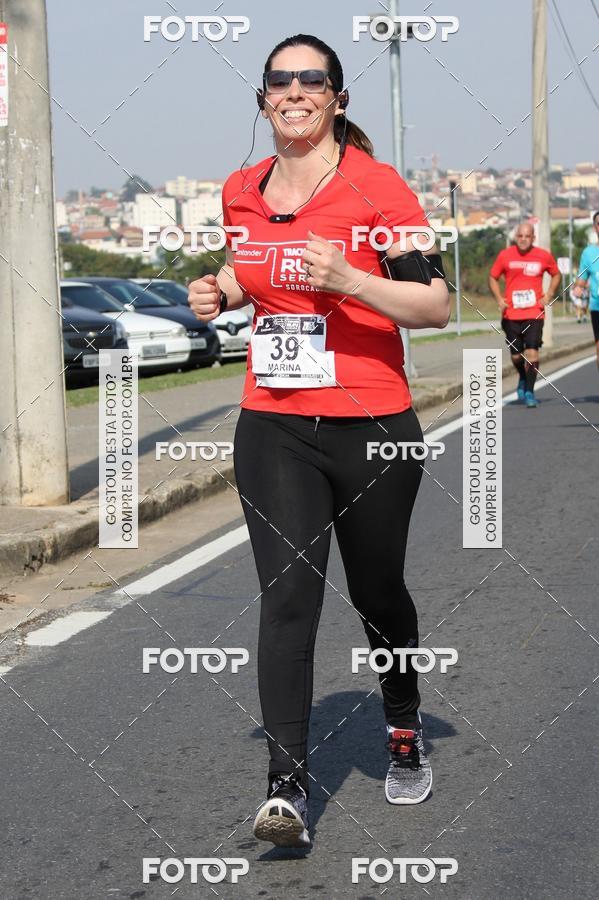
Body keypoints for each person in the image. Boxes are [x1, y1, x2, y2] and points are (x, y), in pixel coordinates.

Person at [188, 34, 449, 848]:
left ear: (337, 97)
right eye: (280, 80)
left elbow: (435, 306)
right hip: (272, 422)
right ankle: (287, 789)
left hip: (371, 422)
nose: (294, 90)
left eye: (313, 79)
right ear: (262, 98)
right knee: (289, 594)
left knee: (377, 594)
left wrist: (352, 281)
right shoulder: (242, 190)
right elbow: (252, 266)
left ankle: (402, 725)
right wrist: (221, 288)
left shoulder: (378, 188)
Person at [489, 223, 560, 408]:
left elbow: (556, 274)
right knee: (516, 356)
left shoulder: (543, 256)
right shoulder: (506, 255)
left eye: (527, 236)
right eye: (520, 235)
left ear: (533, 238)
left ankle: (529, 391)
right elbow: (492, 277)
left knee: (532, 352)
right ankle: (522, 375)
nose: (523, 239)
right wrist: (499, 298)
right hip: (511, 314)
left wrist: (549, 294)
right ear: (516, 237)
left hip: (534, 313)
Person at [572, 211, 599, 371]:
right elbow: (581, 279)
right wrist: (578, 287)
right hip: (598, 307)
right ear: (594, 227)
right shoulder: (589, 253)